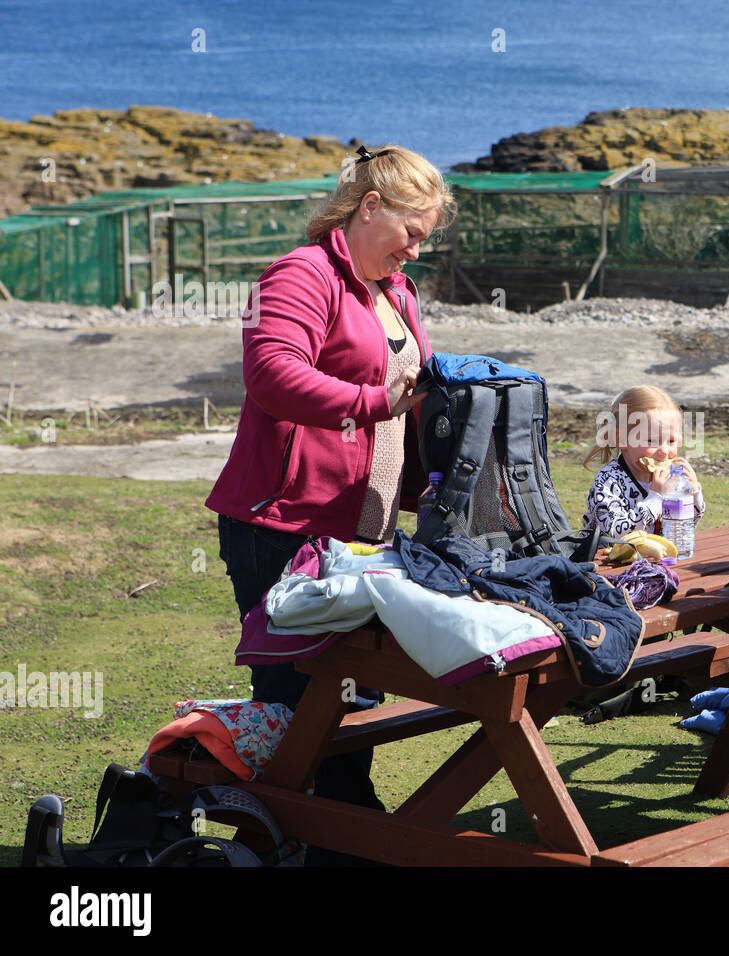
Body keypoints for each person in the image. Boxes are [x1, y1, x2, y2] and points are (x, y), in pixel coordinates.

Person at [205, 144, 457, 856]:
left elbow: (411, 392)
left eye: (425, 240)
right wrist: (374, 402)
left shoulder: (395, 291)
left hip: (362, 532)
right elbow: (272, 376)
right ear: (369, 206)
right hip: (283, 525)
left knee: (355, 692)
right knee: (294, 702)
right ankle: (314, 836)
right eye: (412, 233)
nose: (415, 251)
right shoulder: (300, 273)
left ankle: (334, 835)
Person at [583, 385, 705, 538]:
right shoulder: (608, 480)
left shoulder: (670, 479)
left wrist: (692, 493)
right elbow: (614, 532)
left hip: (652, 558)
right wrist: (655, 497)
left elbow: (683, 529)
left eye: (671, 441)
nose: (664, 451)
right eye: (652, 441)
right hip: (605, 558)